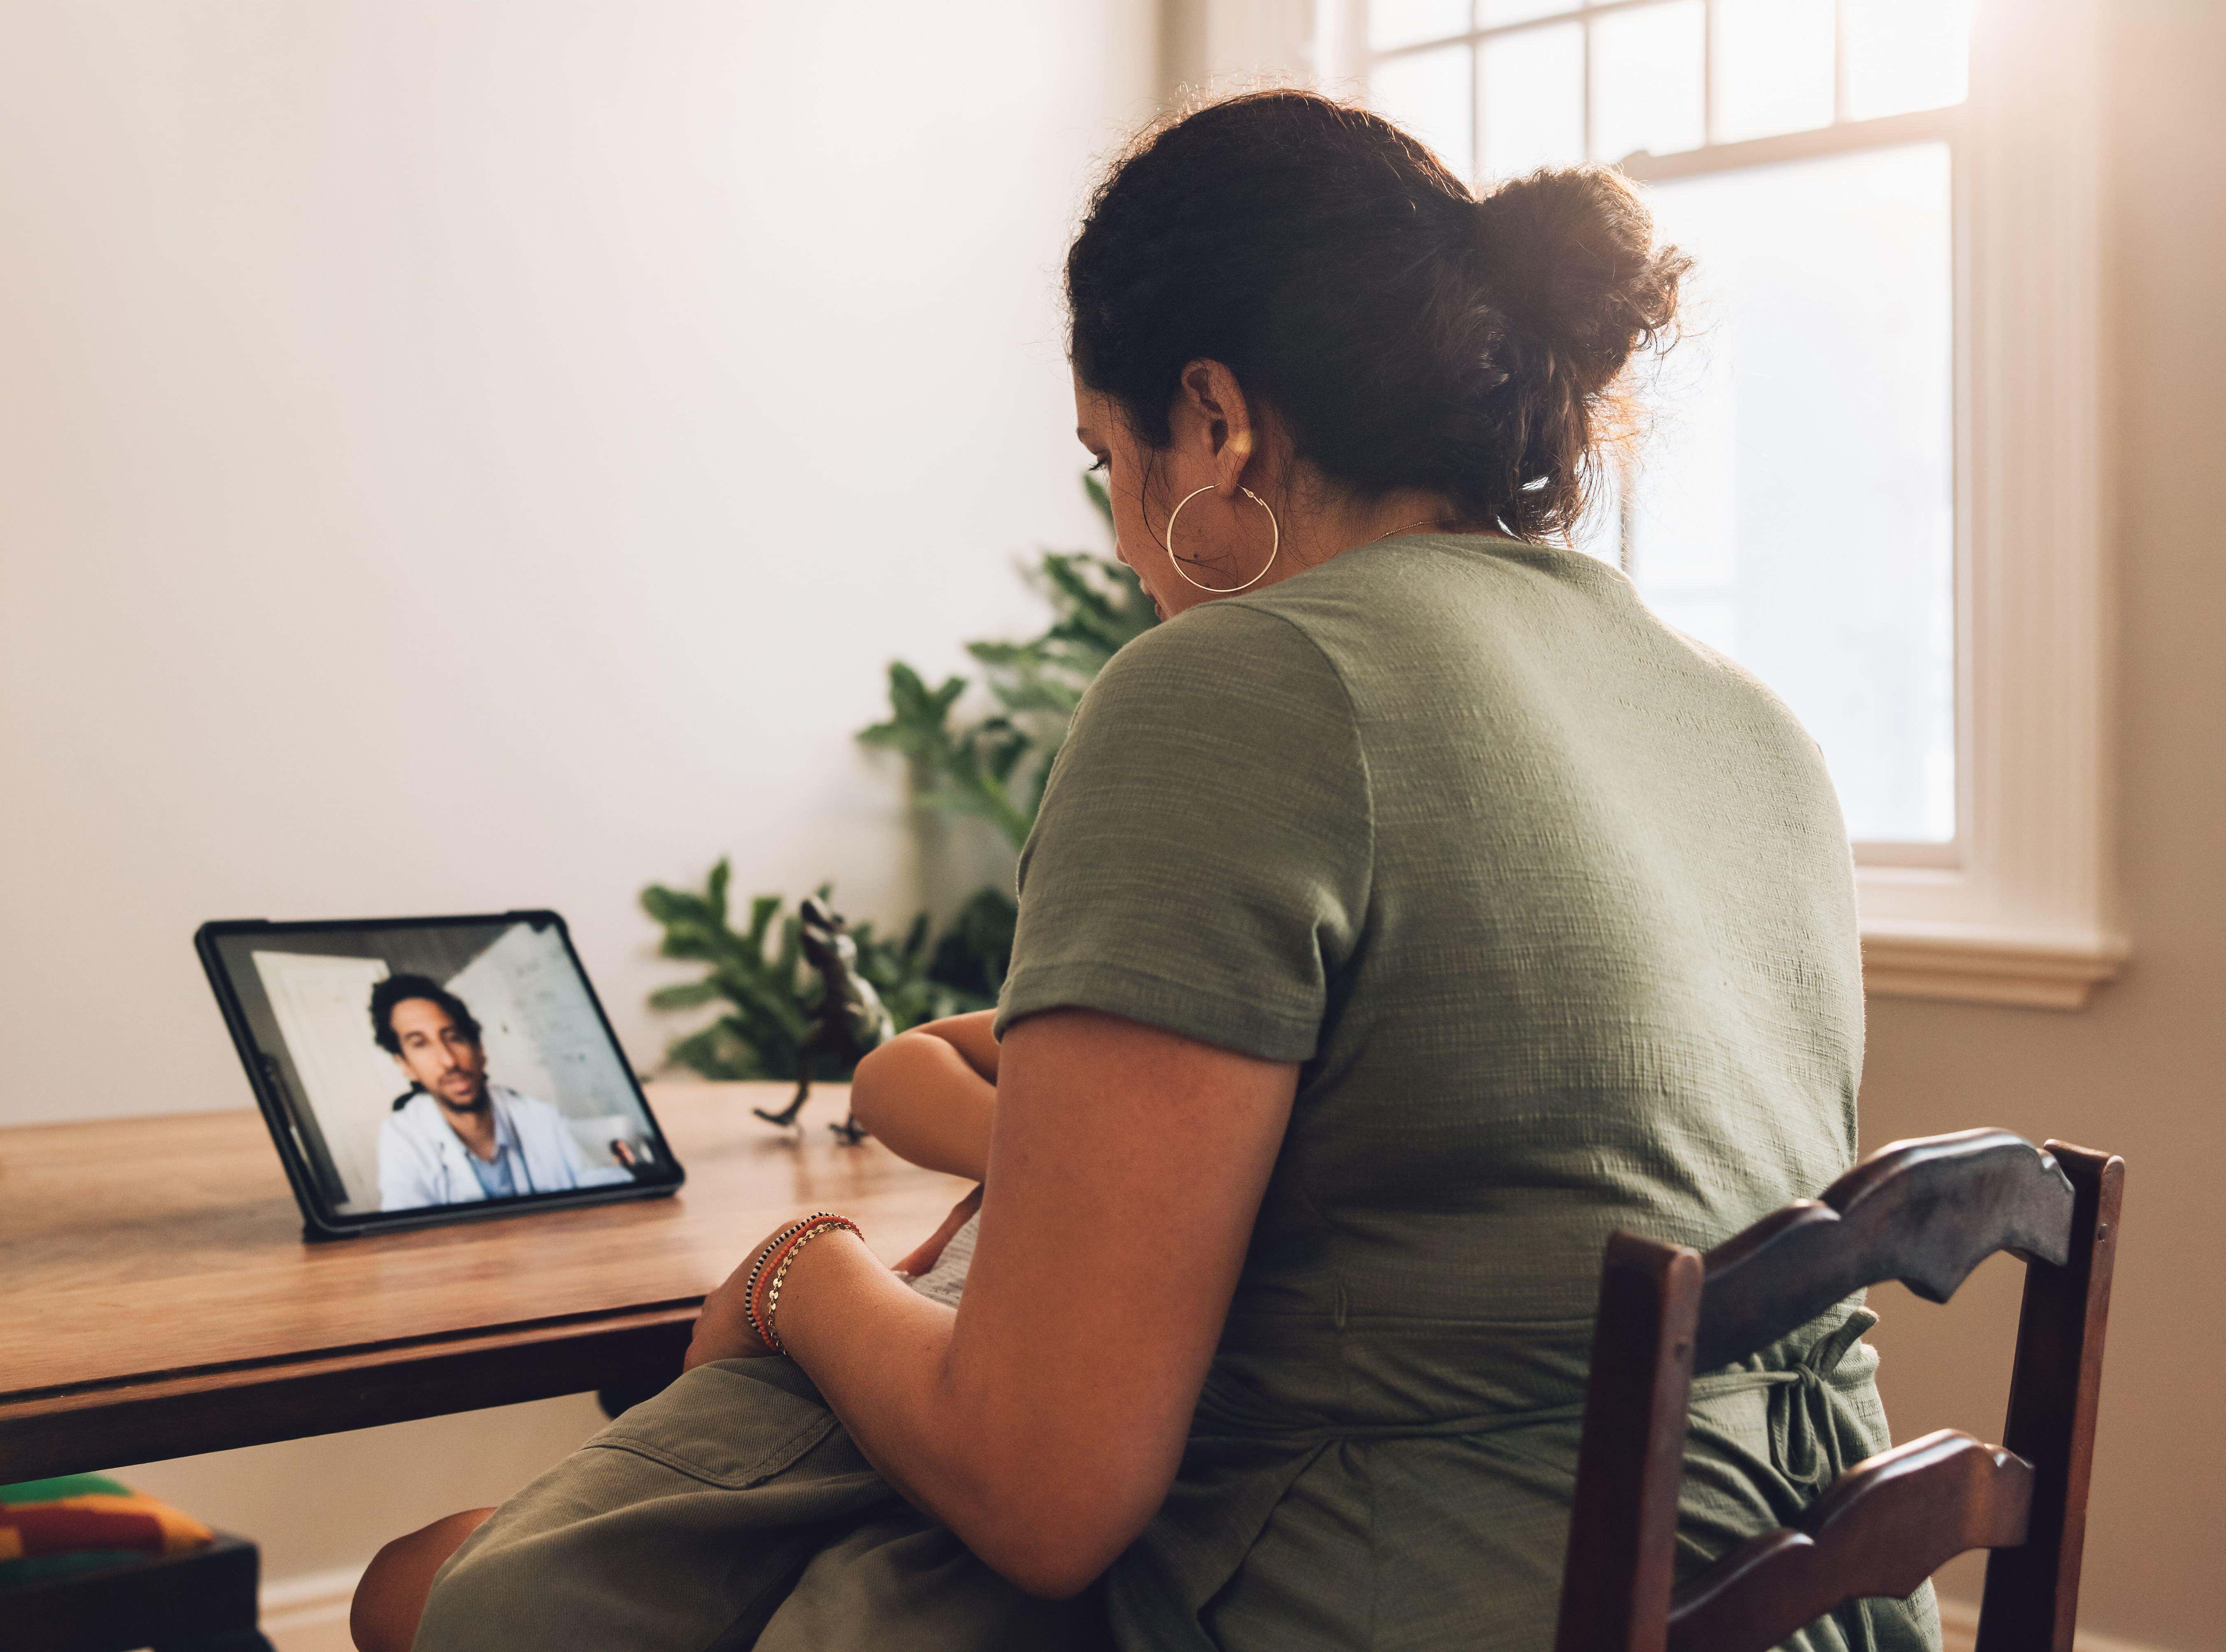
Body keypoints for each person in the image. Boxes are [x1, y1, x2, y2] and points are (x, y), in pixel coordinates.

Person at [359, 89, 1929, 1652]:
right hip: (1809, 1595)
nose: (1120, 536)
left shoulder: (1242, 686)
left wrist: (796, 1275)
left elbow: (1045, 1486)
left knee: (474, 1596)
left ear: (1217, 422)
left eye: (1108, 458)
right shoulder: (1752, 729)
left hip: (1434, 1593)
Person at [370, 975, 631, 1210]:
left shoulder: (538, 1115)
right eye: (420, 1044)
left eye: (454, 1038)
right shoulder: (401, 1136)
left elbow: (595, 1181)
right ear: (405, 1066)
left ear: (480, 1049)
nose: (449, 1061)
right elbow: (407, 1229)